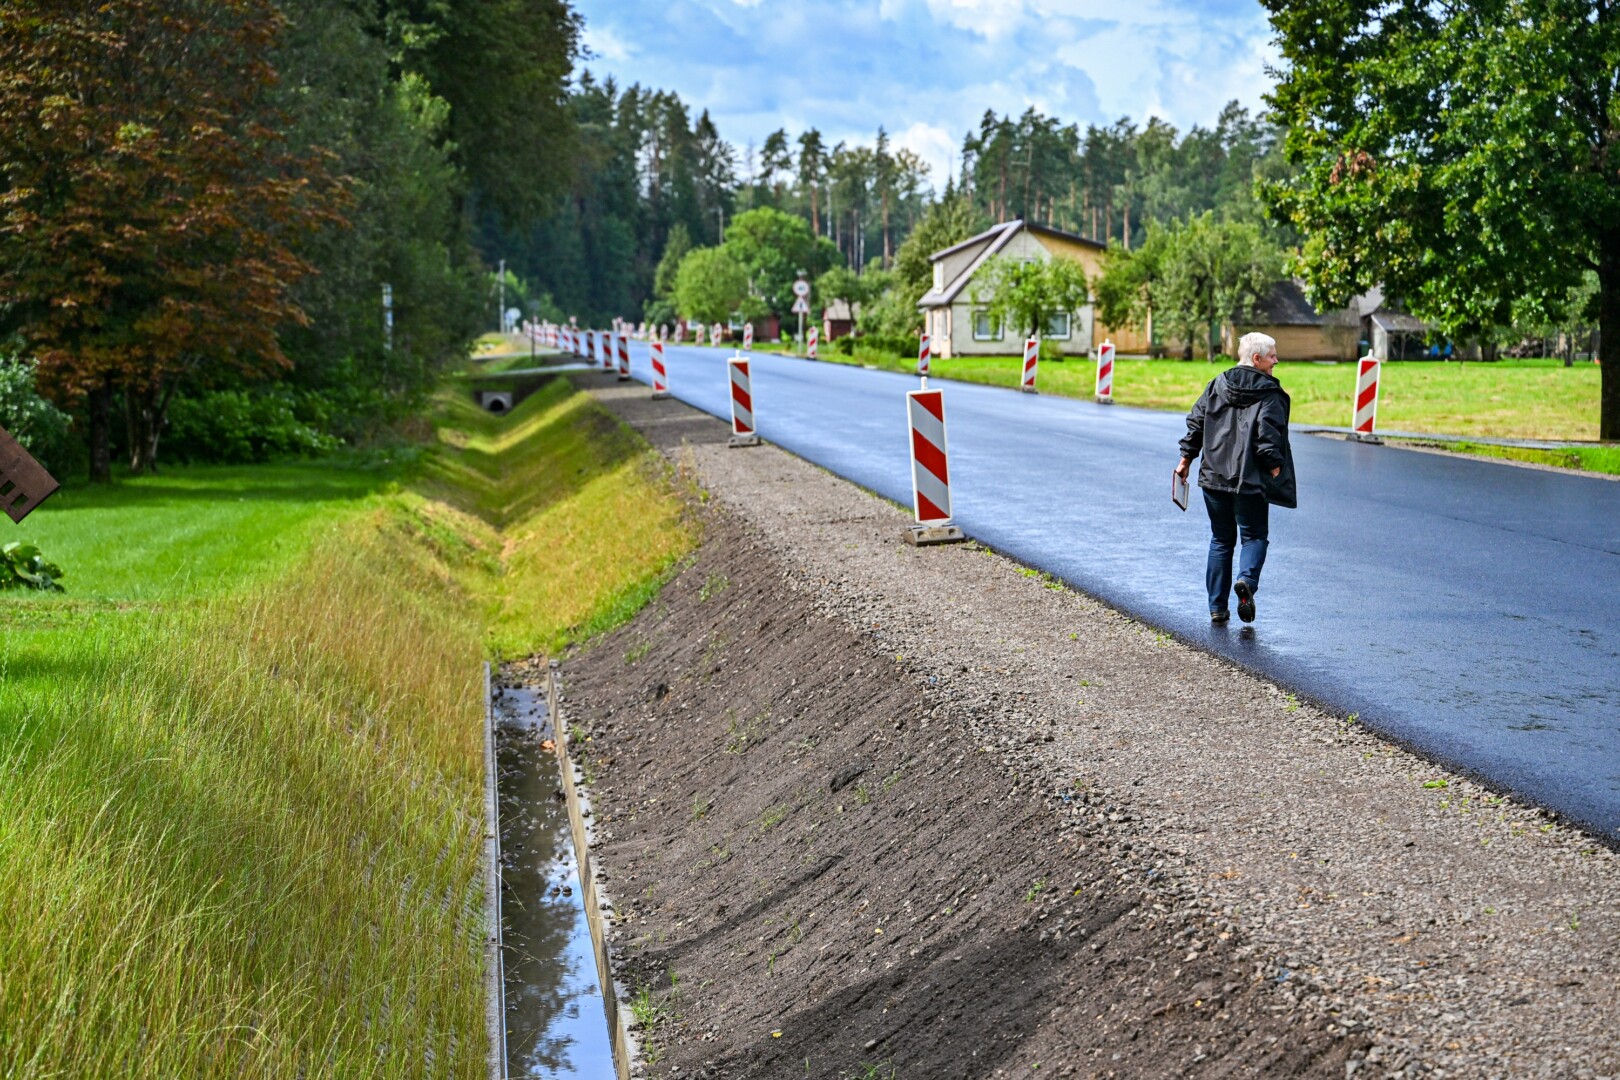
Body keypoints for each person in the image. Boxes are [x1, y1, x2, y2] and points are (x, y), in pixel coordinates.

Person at [1174, 332, 1297, 624]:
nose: (1276, 361)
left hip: (1213, 477)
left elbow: (1196, 422)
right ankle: (1246, 583)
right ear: (1257, 359)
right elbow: (1267, 436)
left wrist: (1185, 460)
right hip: (1249, 480)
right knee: (1254, 536)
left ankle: (1217, 608)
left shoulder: (1217, 383)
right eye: (1272, 356)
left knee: (1220, 539)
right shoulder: (1270, 393)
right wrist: (1275, 466)